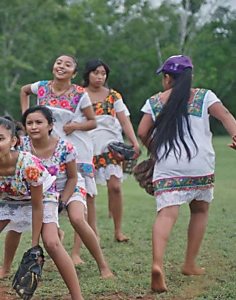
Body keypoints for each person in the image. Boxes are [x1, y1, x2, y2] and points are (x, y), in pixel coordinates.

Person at [136, 55, 236, 293]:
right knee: (199, 211)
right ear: (190, 77)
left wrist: (154, 150)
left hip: (168, 166)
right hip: (200, 165)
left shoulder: (155, 101)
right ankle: (189, 263)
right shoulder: (204, 96)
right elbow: (225, 114)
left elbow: (142, 130)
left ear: (167, 78)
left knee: (166, 215)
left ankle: (157, 264)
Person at [0, 106, 114, 281]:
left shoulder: (66, 147)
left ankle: (103, 266)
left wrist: (62, 201)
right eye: (29, 123)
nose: (34, 127)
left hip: (68, 187)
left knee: (77, 219)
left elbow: (72, 177)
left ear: (50, 125)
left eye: (39, 122)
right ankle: (5, 268)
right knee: (16, 223)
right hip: (38, 190)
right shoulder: (21, 146)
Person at [0, 116, 83, 300]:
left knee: (52, 243)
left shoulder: (28, 165)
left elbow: (37, 207)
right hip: (7, 196)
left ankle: (78, 297)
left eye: (0, 138)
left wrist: (34, 245)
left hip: (41, 197)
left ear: (13, 141)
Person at [20, 54, 99, 248]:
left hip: (75, 148)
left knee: (79, 201)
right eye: (58, 62)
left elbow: (93, 121)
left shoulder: (80, 94)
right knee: (46, 194)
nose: (61, 66)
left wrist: (75, 127)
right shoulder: (42, 87)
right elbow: (24, 91)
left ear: (74, 72)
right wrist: (26, 117)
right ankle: (55, 235)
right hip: (46, 150)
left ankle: (77, 253)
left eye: (68, 64)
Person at [75, 59, 140, 254]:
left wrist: (134, 141)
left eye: (103, 73)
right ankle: (92, 232)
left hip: (111, 146)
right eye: (96, 73)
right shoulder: (78, 94)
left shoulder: (113, 96)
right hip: (86, 147)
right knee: (89, 193)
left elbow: (124, 120)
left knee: (116, 187)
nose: (100, 77)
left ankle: (118, 231)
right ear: (88, 74)